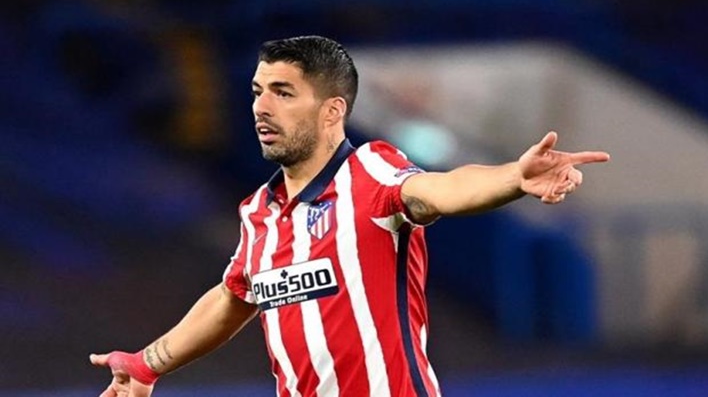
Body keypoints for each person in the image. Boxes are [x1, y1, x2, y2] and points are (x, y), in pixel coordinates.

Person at [90, 35, 610, 397]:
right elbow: (233, 296)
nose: (261, 107)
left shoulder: (370, 172)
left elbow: (440, 189)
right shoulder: (259, 212)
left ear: (333, 111)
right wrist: (148, 363)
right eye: (257, 92)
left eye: (283, 93)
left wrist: (513, 177)